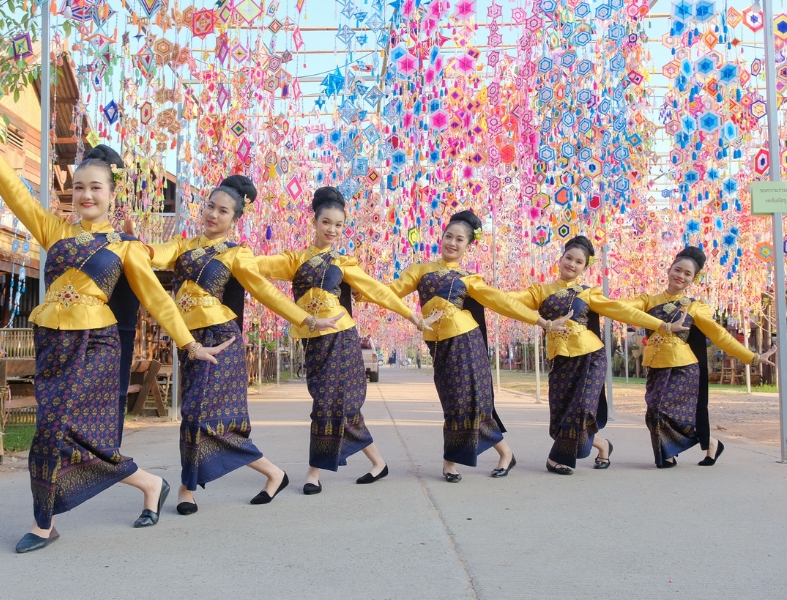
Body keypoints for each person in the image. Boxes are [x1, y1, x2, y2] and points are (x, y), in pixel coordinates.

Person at [0, 123, 230, 553]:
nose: (86, 195)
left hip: (97, 344)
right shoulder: (54, 230)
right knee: (71, 434)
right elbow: (13, 189)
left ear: (111, 193)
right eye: (79, 187)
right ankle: (149, 483)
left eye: (96, 188)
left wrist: (191, 344)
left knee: (54, 428)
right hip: (52, 342)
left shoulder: (126, 248)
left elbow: (158, 300)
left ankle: (43, 523)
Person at [147, 175, 342, 515]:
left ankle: (186, 489)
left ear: (235, 220)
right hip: (191, 343)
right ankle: (271, 473)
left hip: (221, 342)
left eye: (223, 211)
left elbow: (267, 292)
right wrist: (134, 244)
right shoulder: (182, 246)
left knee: (199, 416)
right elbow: (152, 254)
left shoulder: (237, 254)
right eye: (210, 206)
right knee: (199, 418)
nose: (213, 215)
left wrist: (307, 319)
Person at [255, 186, 437, 494]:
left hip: (341, 338)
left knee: (326, 405)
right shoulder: (294, 260)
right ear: (314, 221)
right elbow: (253, 266)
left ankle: (314, 473)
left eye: (339, 225)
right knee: (341, 406)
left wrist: (413, 316)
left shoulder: (343, 264)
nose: (332, 230)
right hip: (312, 340)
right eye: (327, 222)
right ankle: (379, 463)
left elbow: (379, 291)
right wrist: (228, 254)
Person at [387, 210, 568, 481]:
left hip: (467, 344)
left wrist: (542, 322)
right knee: (454, 404)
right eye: (449, 236)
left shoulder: (470, 279)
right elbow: (390, 291)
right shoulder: (420, 270)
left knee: (469, 403)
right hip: (439, 347)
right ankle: (499, 453)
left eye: (460, 239)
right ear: (441, 237)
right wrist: (361, 292)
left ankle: (454, 463)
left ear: (467, 246)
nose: (452, 243)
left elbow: (503, 303)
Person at [501, 235, 682, 474]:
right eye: (569, 258)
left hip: (590, 357)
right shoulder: (540, 292)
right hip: (560, 361)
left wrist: (662, 325)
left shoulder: (589, 294)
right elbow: (506, 300)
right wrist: (479, 292)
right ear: (560, 258)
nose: (572, 265)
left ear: (584, 268)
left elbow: (622, 311)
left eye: (579, 262)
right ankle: (603, 445)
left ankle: (558, 458)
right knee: (562, 415)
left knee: (583, 408)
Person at [619, 247, 776, 468]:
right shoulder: (648, 301)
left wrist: (753, 357)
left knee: (662, 411)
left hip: (683, 367)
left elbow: (718, 334)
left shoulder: (695, 307)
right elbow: (620, 308)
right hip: (655, 366)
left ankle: (669, 454)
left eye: (687, 274)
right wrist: (592, 300)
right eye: (678, 270)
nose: (680, 276)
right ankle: (709, 442)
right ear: (669, 269)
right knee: (653, 411)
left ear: (693, 279)